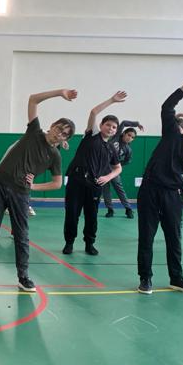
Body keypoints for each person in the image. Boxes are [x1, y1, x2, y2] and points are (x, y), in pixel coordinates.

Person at [0, 89, 76, 293]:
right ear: (52, 126)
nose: (59, 133)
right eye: (59, 128)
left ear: (66, 138)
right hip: (0, 184)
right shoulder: (34, 131)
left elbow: (57, 183)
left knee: (21, 235)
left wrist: (34, 186)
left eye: (65, 133)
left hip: (21, 192)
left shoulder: (55, 156)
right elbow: (33, 99)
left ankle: (23, 276)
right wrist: (60, 93)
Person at [136, 73, 183, 295]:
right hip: (150, 191)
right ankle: (145, 278)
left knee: (174, 238)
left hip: (172, 196)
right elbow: (167, 107)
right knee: (146, 236)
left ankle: (176, 278)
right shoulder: (171, 134)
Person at [63, 92, 127, 256]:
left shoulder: (111, 148)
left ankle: (89, 243)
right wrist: (112, 100)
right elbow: (93, 111)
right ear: (101, 125)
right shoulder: (91, 135)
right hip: (77, 181)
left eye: (114, 127)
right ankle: (69, 243)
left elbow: (118, 168)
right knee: (72, 214)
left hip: (95, 186)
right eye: (108, 125)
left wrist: (108, 177)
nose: (111, 128)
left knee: (91, 216)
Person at [103, 122, 142, 218]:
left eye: (132, 137)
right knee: (105, 189)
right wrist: (137, 124)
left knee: (119, 189)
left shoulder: (128, 149)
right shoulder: (116, 137)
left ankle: (128, 209)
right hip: (103, 168)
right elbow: (124, 123)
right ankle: (110, 209)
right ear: (124, 133)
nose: (130, 138)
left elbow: (127, 161)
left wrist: (118, 165)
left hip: (113, 169)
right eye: (129, 135)